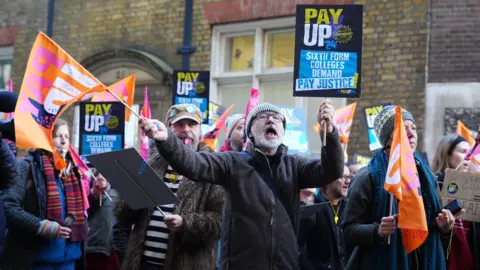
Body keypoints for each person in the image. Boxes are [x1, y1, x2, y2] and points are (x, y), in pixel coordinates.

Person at [139, 100, 344, 270]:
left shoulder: (295, 165)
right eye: (262, 117)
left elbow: (332, 171)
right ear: (250, 133)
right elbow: (195, 164)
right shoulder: (232, 162)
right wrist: (166, 140)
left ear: (283, 130)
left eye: (277, 118)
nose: (270, 119)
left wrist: (331, 133)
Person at [343, 105, 458, 270]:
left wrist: (444, 226)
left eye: (414, 128)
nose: (412, 134)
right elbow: (348, 231)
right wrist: (378, 231)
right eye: (404, 129)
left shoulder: (427, 176)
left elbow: (431, 224)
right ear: (389, 138)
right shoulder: (367, 176)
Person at [119, 104, 225, 270]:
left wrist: (186, 223)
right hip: (143, 264)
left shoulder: (212, 167)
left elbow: (220, 221)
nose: (186, 129)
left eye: (192, 124)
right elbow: (125, 217)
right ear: (168, 130)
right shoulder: (151, 164)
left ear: (200, 131)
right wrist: (128, 195)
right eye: (179, 125)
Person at [2, 119, 92, 269]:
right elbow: (9, 207)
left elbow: (86, 213)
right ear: (45, 139)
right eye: (58, 136)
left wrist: (95, 194)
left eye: (66, 136)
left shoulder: (74, 172)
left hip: (70, 260)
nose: (63, 141)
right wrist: (43, 227)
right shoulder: (26, 167)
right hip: (38, 260)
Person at [432, 135, 476, 270]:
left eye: (469, 152)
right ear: (447, 154)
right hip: (444, 260)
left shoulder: (473, 188)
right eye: (463, 152)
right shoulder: (433, 183)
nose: (468, 157)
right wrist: (454, 178)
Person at [298, 165, 351, 270]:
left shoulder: (351, 208)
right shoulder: (311, 208)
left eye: (349, 177)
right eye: (342, 177)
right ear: (327, 180)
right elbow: (299, 248)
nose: (348, 181)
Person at [85, 171, 121, 270]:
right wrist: (95, 193)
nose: (101, 176)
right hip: (92, 248)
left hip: (112, 250)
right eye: (99, 174)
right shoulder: (89, 190)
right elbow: (85, 213)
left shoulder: (119, 194)